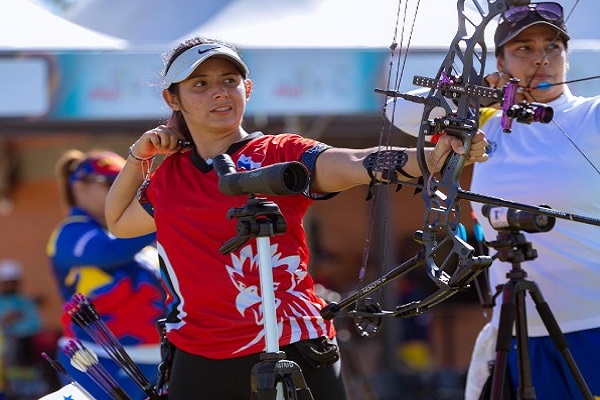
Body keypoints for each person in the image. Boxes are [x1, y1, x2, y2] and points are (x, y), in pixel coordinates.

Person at [103, 36, 488, 400]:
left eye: (229, 80)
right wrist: (141, 156)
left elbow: (353, 162)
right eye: (200, 84)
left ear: (247, 90)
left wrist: (429, 158)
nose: (219, 91)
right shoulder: (171, 174)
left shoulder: (277, 153)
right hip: (198, 353)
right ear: (174, 98)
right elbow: (118, 221)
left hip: (293, 344)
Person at [386, 3, 600, 399]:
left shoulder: (591, 115)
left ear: (568, 59)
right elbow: (396, 108)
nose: (541, 59)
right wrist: (475, 84)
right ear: (499, 59)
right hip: (517, 328)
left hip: (594, 323)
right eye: (523, 49)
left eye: (553, 48)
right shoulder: (481, 120)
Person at [47, 149, 167, 400]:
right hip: (96, 359)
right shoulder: (71, 232)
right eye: (110, 183)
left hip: (157, 360)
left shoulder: (135, 236)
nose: (121, 191)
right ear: (80, 187)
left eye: (126, 184)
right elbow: (110, 251)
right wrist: (165, 212)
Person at [0, 259, 43, 396]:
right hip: (7, 350)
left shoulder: (25, 301)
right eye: (5, 282)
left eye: (12, 282)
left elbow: (35, 324)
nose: (8, 285)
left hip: (27, 345)